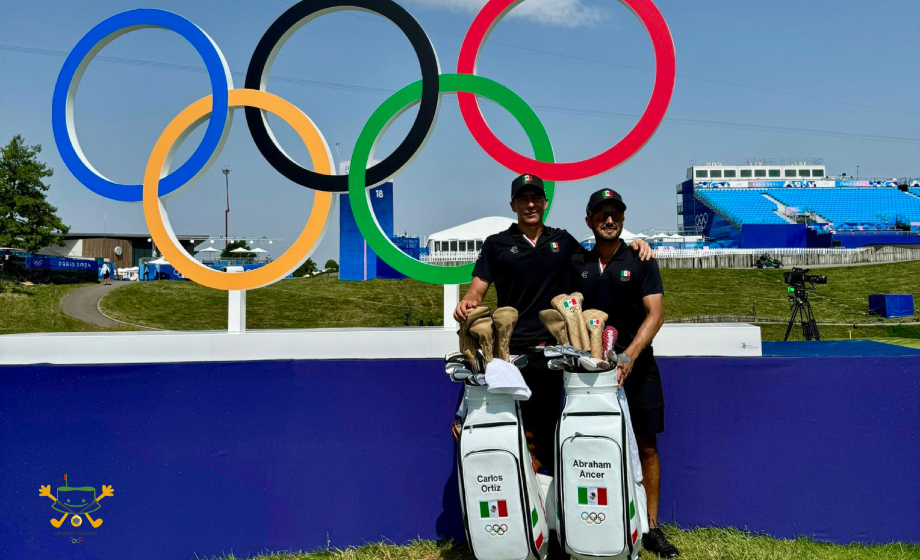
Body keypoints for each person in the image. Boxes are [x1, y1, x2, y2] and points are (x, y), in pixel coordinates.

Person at [454, 174, 653, 478]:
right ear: (513, 205)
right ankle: (527, 509)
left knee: (553, 432)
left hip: (556, 353)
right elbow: (476, 290)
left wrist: (636, 244)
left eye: (536, 198)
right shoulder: (496, 244)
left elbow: (600, 255)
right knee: (519, 433)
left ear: (545, 203)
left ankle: (553, 510)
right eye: (523, 199)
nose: (530, 204)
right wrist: (467, 302)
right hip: (512, 354)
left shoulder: (562, 240)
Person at [568, 188, 678, 558]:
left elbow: (656, 315)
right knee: (593, 445)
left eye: (615, 213)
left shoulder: (641, 258)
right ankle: (598, 520)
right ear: (589, 221)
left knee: (646, 445)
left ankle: (651, 527)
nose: (609, 219)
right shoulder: (577, 262)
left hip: (637, 367)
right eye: (601, 214)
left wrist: (629, 356)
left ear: (624, 220)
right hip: (591, 375)